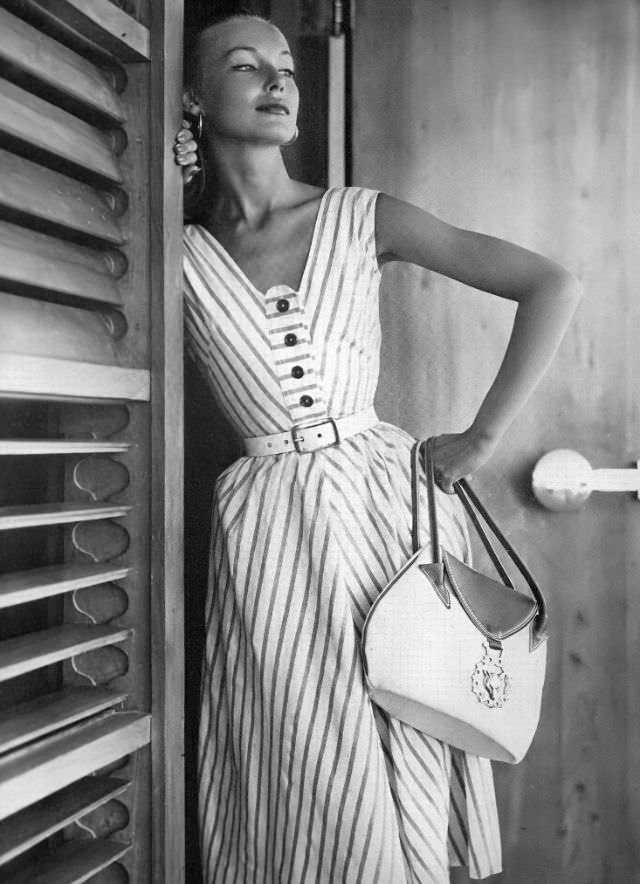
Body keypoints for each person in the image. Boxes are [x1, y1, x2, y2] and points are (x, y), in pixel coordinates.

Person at [175, 12, 581, 883]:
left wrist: (482, 437)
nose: (277, 80)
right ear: (193, 99)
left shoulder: (363, 217)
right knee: (308, 767)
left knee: (408, 737)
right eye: (245, 67)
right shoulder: (176, 256)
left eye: (285, 66)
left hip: (389, 512)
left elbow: (550, 284)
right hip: (269, 534)